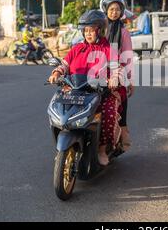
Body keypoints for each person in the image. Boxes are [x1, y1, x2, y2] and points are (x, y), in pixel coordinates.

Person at [48, 10, 126, 166]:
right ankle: (63, 148)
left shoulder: (109, 50)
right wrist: (57, 73)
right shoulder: (77, 48)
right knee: (58, 110)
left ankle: (102, 149)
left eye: (92, 30)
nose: (88, 34)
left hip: (100, 92)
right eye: (86, 31)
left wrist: (114, 78)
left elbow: (118, 68)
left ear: (100, 30)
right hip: (75, 90)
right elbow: (64, 64)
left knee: (109, 112)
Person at [100, 0, 134, 152]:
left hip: (117, 72)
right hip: (97, 71)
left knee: (121, 97)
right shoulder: (98, 30)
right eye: (111, 9)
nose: (114, 12)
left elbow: (128, 57)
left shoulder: (124, 32)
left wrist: (130, 80)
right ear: (105, 10)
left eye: (117, 9)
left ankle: (122, 131)